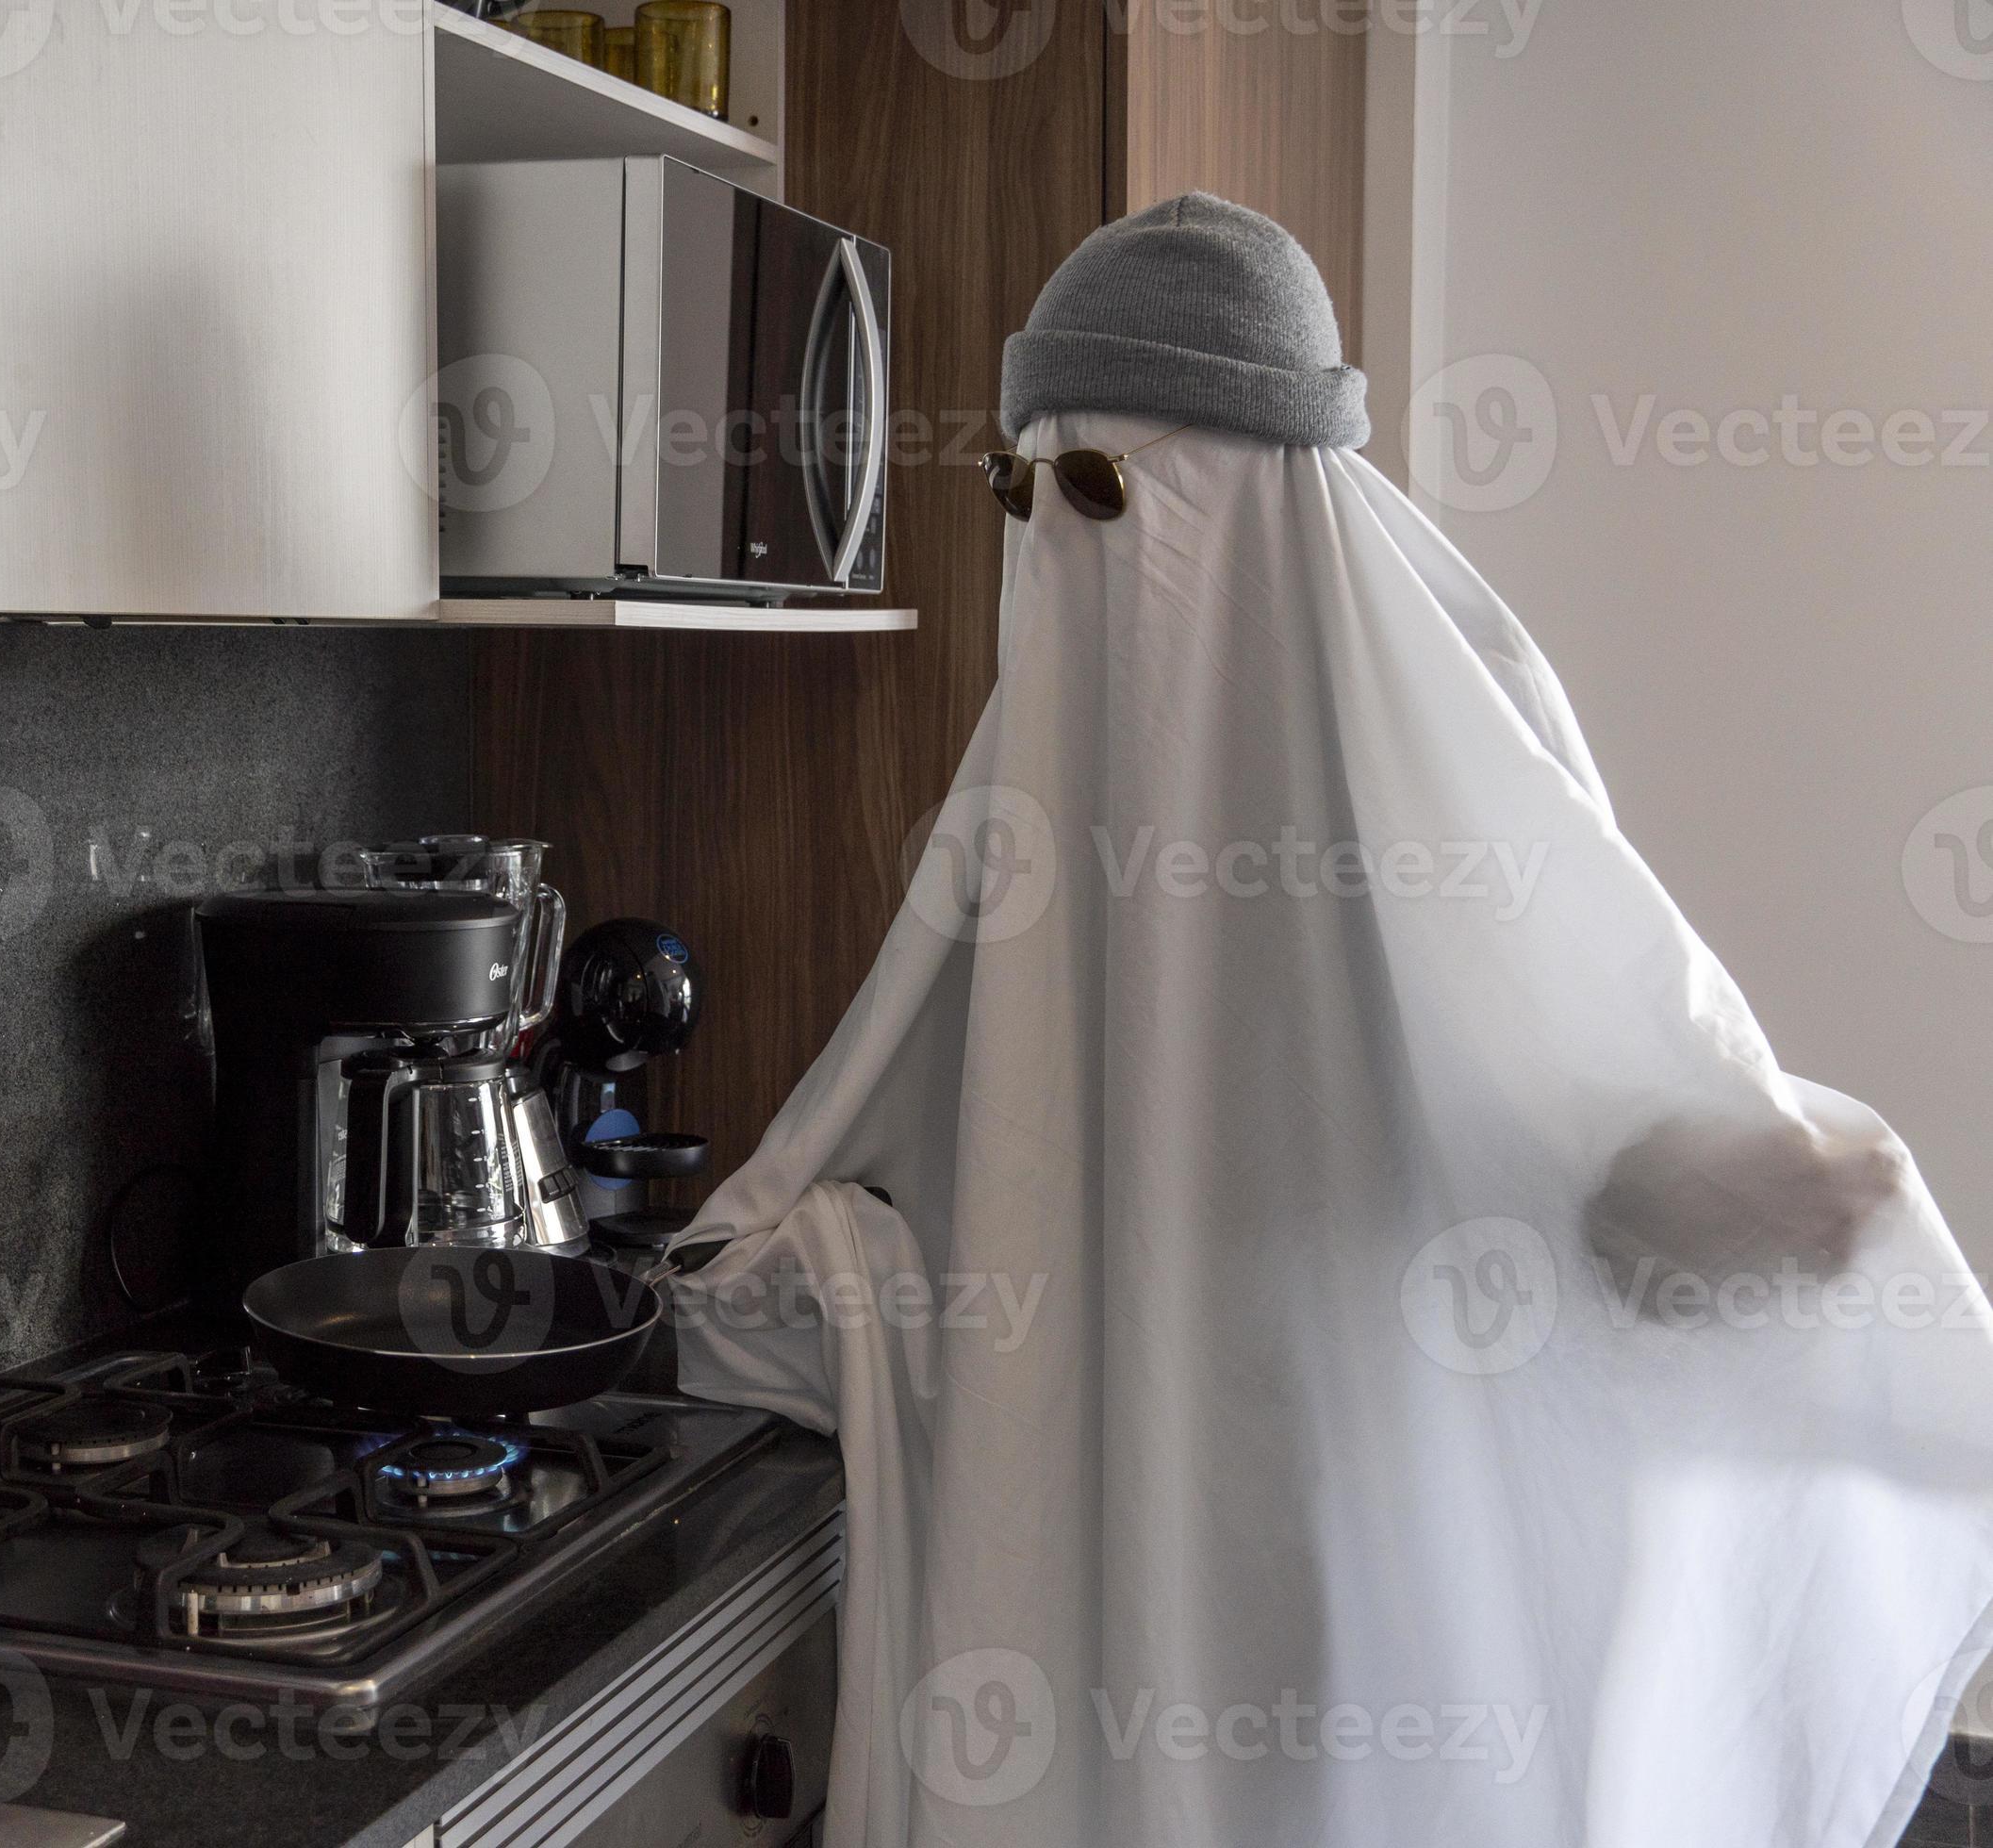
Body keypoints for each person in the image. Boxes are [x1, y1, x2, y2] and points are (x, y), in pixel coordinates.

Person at [669, 192, 1993, 1848]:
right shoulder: (1037, 799)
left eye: (1098, 490)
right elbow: (909, 1170)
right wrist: (828, 1283)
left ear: (1249, 484)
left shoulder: (1445, 749)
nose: (1060, 543)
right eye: (1025, 490)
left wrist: (1736, 1197)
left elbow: (1615, 1136)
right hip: (1103, 1586)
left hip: (1363, 1585)